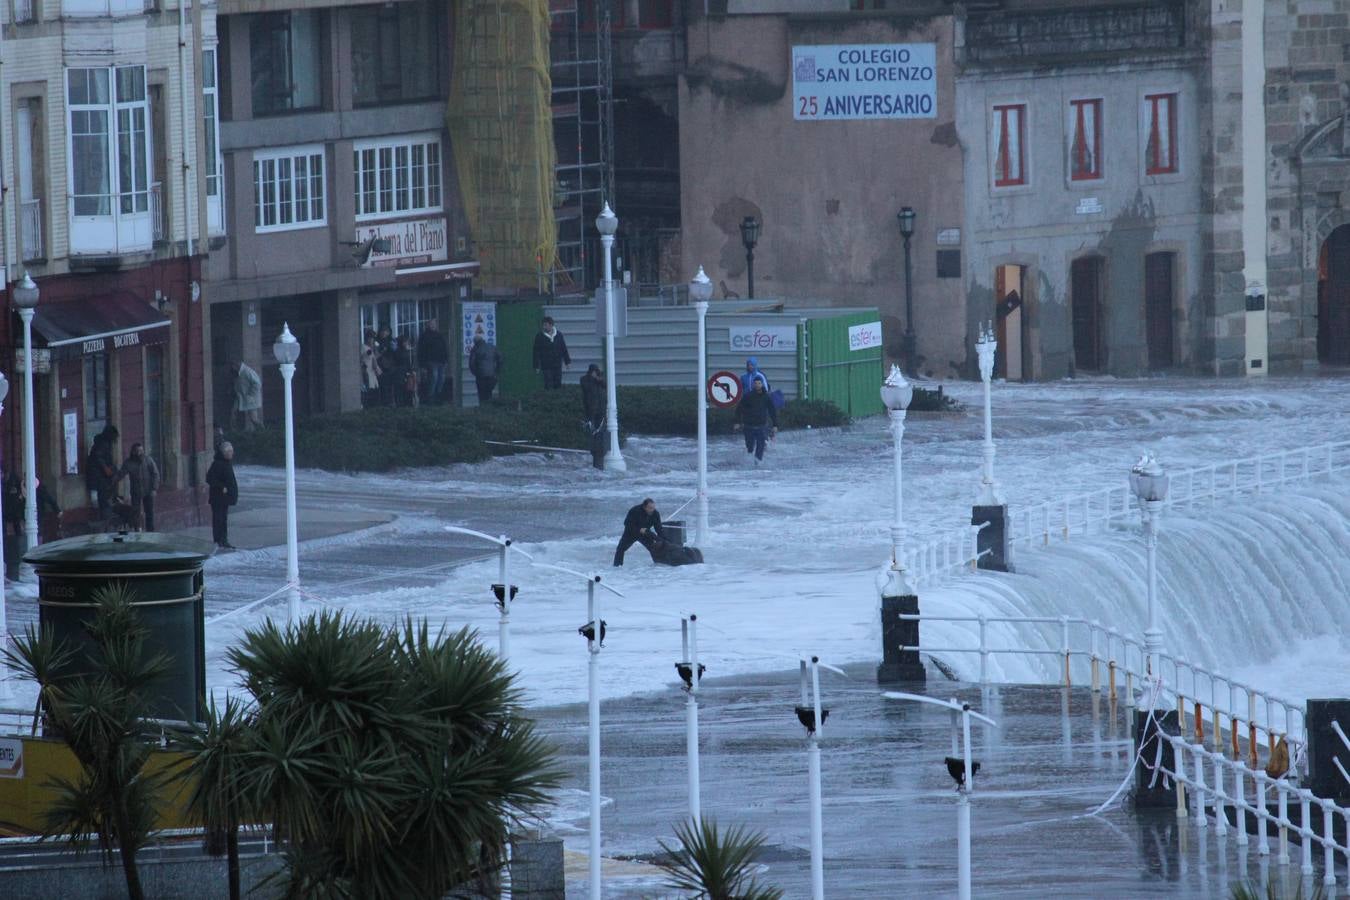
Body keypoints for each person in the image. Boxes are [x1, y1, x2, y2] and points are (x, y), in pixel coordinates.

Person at [734, 377, 779, 463]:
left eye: (759, 383)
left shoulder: (766, 397)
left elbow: (772, 411)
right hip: (749, 425)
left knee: (761, 445)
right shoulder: (748, 396)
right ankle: (750, 458)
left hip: (761, 425)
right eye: (756, 383)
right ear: (753, 385)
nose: (757, 385)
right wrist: (737, 422)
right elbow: (739, 409)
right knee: (750, 446)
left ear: (762, 384)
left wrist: (775, 425)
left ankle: (757, 462)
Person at [118, 442, 160, 531]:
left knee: (149, 513)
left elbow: (155, 474)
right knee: (135, 513)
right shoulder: (128, 463)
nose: (140, 453)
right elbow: (121, 474)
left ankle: (151, 532)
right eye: (137, 451)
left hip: (148, 490)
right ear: (133, 452)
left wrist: (154, 488)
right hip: (136, 491)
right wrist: (113, 480)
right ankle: (137, 530)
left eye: (141, 450)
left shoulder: (148, 460)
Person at [206, 441, 239, 550]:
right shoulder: (218, 463)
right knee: (218, 519)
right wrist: (221, 487)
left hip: (225, 498)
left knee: (223, 519)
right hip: (218, 497)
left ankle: (224, 540)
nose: (231, 454)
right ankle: (218, 540)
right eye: (229, 452)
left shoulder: (227, 463)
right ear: (224, 453)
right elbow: (210, 478)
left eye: (232, 451)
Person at [613, 498, 665, 567]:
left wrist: (662, 540)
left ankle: (660, 566)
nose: (652, 510)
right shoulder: (635, 510)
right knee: (620, 549)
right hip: (631, 533)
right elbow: (627, 523)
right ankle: (617, 567)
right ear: (644, 507)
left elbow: (659, 528)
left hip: (645, 534)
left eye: (653, 508)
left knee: (654, 548)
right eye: (650, 508)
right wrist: (639, 530)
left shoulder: (655, 513)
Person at [85, 424, 120, 518]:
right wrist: (106, 468)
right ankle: (102, 515)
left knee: (100, 496)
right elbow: (98, 457)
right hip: (98, 476)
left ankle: (102, 513)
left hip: (99, 475)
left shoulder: (102, 443)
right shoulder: (102, 444)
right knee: (100, 497)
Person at [532, 316, 571, 390]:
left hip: (557, 364)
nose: (544, 327)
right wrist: (536, 365)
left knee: (558, 382)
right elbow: (536, 351)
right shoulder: (539, 336)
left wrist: (567, 362)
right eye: (543, 325)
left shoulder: (559, 335)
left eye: (545, 325)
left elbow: (563, 348)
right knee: (548, 383)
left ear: (551, 325)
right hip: (546, 365)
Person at [416, 319, 450, 403]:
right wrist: (422, 364)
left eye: (434, 324)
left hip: (441, 360)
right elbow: (421, 351)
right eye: (431, 324)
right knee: (434, 377)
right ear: (427, 325)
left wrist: (446, 360)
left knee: (441, 377)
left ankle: (439, 394)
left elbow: (445, 348)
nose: (433, 325)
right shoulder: (424, 336)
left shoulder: (439, 335)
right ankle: (430, 396)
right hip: (431, 360)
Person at [580, 364, 607, 470]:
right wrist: (593, 378)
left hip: (600, 410)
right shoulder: (585, 379)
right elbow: (586, 388)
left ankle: (599, 459)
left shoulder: (599, 381)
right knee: (592, 433)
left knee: (600, 434)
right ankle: (593, 454)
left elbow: (606, 386)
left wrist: (598, 379)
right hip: (590, 410)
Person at [468, 336, 503, 405]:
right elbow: (500, 359)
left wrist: (476, 373)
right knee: (489, 393)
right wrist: (497, 371)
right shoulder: (492, 347)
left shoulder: (475, 349)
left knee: (482, 396)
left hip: (481, 376)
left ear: (475, 342)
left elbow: (471, 364)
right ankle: (489, 410)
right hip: (492, 375)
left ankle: (483, 410)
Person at [233, 361, 263, 431]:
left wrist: (251, 394)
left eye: (233, 366)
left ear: (236, 365)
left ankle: (263, 431)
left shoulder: (247, 372)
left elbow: (257, 383)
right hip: (240, 397)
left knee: (254, 419)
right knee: (233, 412)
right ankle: (234, 431)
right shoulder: (238, 372)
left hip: (251, 400)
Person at [361, 332, 382, 406]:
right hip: (366, 371)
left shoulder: (371, 348)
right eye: (371, 338)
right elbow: (368, 354)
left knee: (375, 391)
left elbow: (375, 357)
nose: (372, 340)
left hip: (372, 372)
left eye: (373, 338)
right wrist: (373, 348)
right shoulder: (363, 347)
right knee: (368, 390)